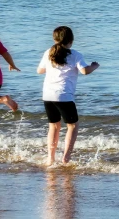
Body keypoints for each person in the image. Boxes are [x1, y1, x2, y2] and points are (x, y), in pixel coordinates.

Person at [37, 26, 99, 165]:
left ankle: (50, 158)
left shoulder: (49, 52)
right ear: (71, 41)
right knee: (72, 126)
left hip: (47, 95)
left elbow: (39, 70)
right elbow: (84, 71)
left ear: (54, 39)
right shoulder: (75, 54)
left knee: (53, 126)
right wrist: (94, 66)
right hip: (63, 96)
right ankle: (66, 158)